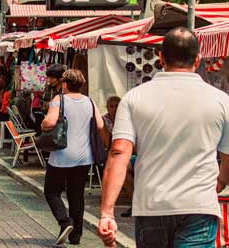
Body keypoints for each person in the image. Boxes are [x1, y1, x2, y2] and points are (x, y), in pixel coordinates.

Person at [99, 28, 229, 248]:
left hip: (152, 206)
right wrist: (221, 181)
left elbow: (119, 152)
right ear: (198, 59)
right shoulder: (221, 101)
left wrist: (106, 212)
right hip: (199, 206)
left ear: (161, 58)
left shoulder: (134, 98)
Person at [41, 69, 104, 246]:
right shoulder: (90, 101)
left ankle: (64, 221)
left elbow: (50, 122)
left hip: (62, 155)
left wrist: (44, 123)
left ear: (65, 84)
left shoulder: (59, 99)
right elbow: (99, 124)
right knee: (76, 195)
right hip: (84, 157)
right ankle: (75, 235)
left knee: (51, 191)